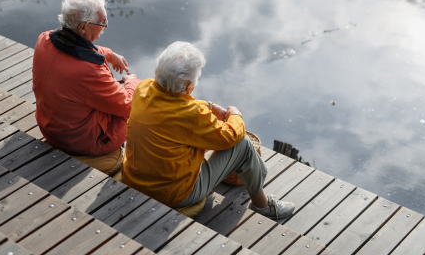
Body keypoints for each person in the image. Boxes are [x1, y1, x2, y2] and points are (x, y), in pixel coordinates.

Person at [121, 41, 295, 219]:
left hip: (133, 180)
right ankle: (263, 206)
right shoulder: (193, 115)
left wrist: (208, 106)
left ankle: (256, 184)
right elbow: (232, 135)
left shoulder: (142, 88)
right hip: (174, 195)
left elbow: (171, 103)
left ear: (159, 70)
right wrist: (236, 115)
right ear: (189, 86)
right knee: (242, 143)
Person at [32, 0, 140, 175]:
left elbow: (75, 47)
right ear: (82, 27)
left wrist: (109, 54)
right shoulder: (90, 72)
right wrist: (132, 82)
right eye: (102, 23)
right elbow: (128, 106)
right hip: (81, 142)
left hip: (49, 128)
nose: (105, 27)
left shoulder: (44, 39)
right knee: (135, 109)